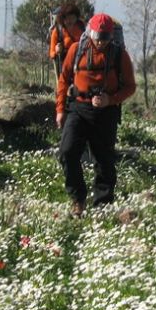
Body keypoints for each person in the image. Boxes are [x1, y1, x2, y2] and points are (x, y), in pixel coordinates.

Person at [56, 13, 136, 217]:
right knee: (67, 151)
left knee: (104, 161)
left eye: (105, 38)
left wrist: (111, 99)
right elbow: (64, 80)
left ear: (111, 36)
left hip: (106, 113)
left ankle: (103, 206)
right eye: (97, 37)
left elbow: (130, 87)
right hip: (78, 109)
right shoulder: (76, 49)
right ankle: (78, 199)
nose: (101, 42)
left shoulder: (120, 55)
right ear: (89, 33)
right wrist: (59, 110)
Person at [49, 3, 85, 80]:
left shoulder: (81, 28)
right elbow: (52, 53)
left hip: (80, 64)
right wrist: (56, 50)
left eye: (72, 18)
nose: (70, 21)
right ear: (62, 19)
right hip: (64, 65)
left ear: (76, 18)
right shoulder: (57, 31)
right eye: (67, 18)